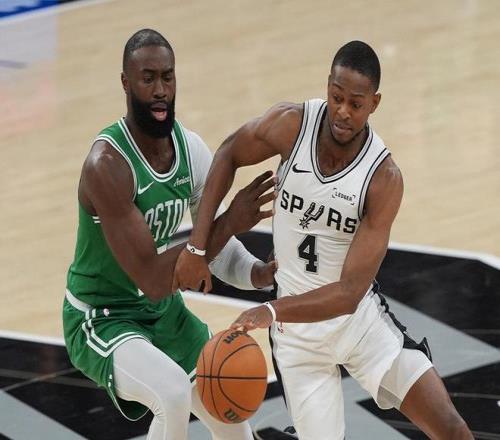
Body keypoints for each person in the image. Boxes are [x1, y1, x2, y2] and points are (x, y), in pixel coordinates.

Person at [173, 41, 473, 439]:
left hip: (358, 325)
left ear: (374, 103)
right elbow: (229, 152)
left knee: (452, 429)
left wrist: (271, 311)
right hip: (298, 343)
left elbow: (348, 293)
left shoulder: (382, 178)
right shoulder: (291, 125)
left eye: (356, 104)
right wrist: (197, 246)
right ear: (328, 86)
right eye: (336, 97)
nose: (343, 111)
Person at [62, 29, 277, 440]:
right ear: (126, 83)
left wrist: (257, 274)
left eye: (167, 77)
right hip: (102, 316)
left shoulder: (190, 150)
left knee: (231, 417)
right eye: (148, 79)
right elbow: (154, 279)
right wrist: (230, 221)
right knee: (173, 394)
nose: (160, 90)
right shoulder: (107, 166)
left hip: (163, 313)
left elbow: (210, 247)